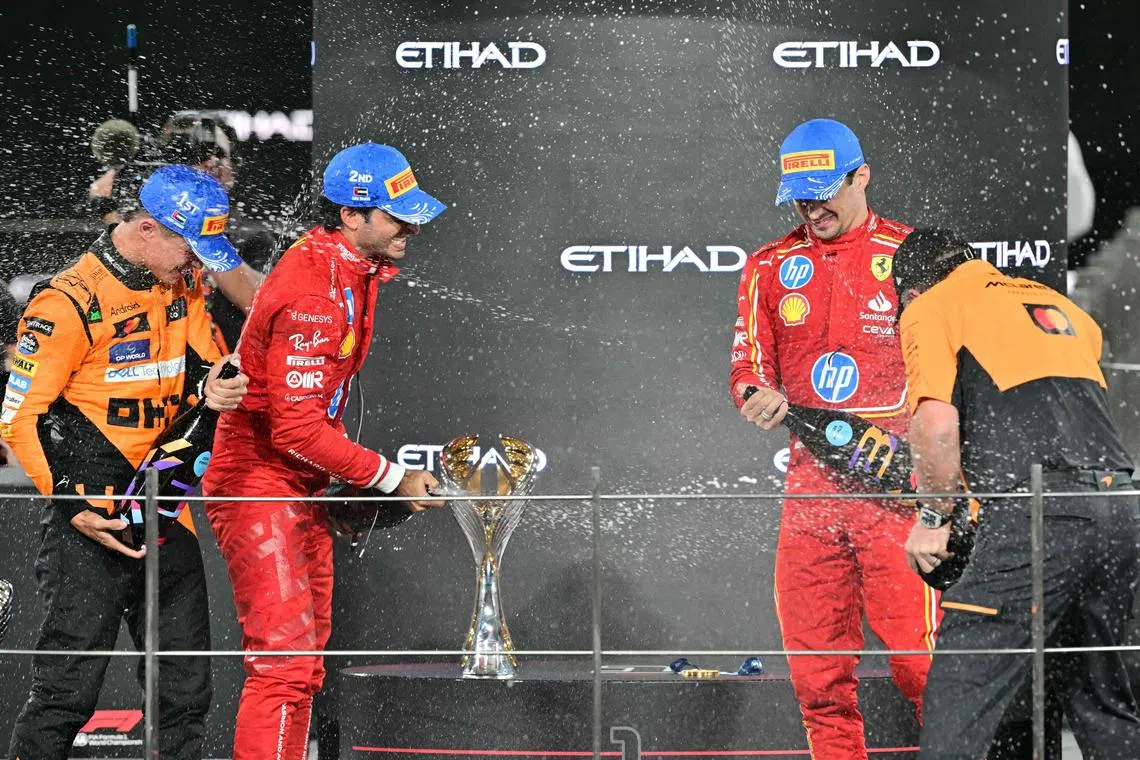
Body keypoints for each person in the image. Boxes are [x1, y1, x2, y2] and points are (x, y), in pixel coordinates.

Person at [202, 142, 447, 760]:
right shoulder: (314, 289)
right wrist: (392, 478)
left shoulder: (349, 268)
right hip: (259, 481)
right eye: (397, 215)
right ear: (350, 215)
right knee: (284, 667)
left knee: (305, 666)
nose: (411, 227)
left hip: (296, 483)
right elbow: (296, 431)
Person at [3, 164, 249, 760]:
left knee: (186, 689)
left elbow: (204, 363)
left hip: (164, 498)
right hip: (88, 508)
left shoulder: (184, 282)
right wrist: (71, 503)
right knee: (66, 691)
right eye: (189, 247)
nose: (196, 263)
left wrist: (216, 387)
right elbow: (17, 419)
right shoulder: (67, 301)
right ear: (146, 230)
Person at [730, 118, 939, 758]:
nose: (811, 207)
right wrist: (754, 397)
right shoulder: (769, 265)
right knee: (817, 678)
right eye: (800, 195)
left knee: (922, 671)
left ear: (862, 176)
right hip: (810, 494)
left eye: (824, 191)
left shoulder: (912, 256)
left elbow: (954, 370)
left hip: (896, 490)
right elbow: (747, 369)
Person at [894, 228, 1140, 759]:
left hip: (1038, 516)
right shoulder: (1055, 303)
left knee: (960, 691)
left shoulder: (930, 307)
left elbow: (936, 427)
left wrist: (934, 518)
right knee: (1102, 701)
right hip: (1120, 504)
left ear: (911, 290)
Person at [88, 111, 269, 346]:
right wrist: (108, 210)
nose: (211, 162)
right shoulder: (144, 228)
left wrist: (202, 234)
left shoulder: (253, 237)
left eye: (220, 154)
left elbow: (259, 303)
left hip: (224, 371)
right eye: (199, 154)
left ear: (234, 167)